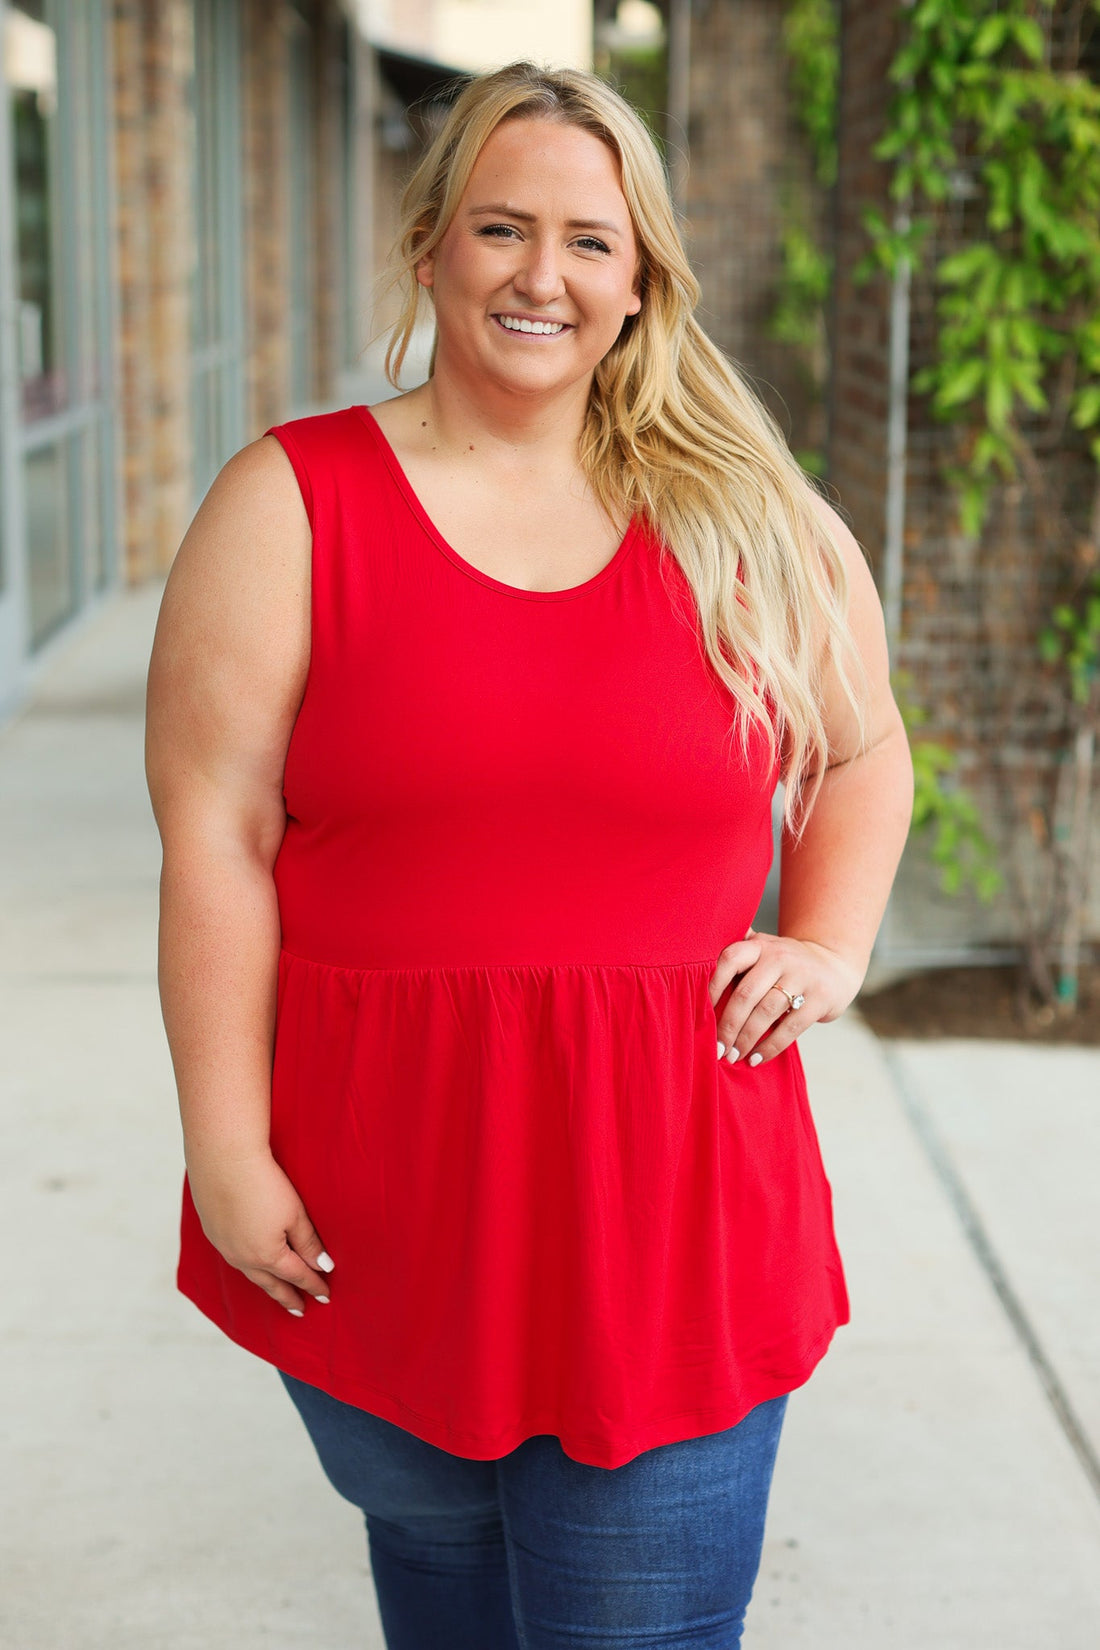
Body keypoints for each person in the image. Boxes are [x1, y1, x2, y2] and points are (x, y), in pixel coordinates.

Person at [145, 60, 914, 1650]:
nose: (540, 274)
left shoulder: (745, 514)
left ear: (639, 284)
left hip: (671, 1203)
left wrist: (829, 942)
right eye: (501, 228)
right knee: (441, 1593)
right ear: (431, 247)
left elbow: (860, 746)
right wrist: (225, 1148)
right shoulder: (290, 505)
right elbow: (214, 838)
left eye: (587, 240)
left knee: (637, 1626)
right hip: (377, 1203)